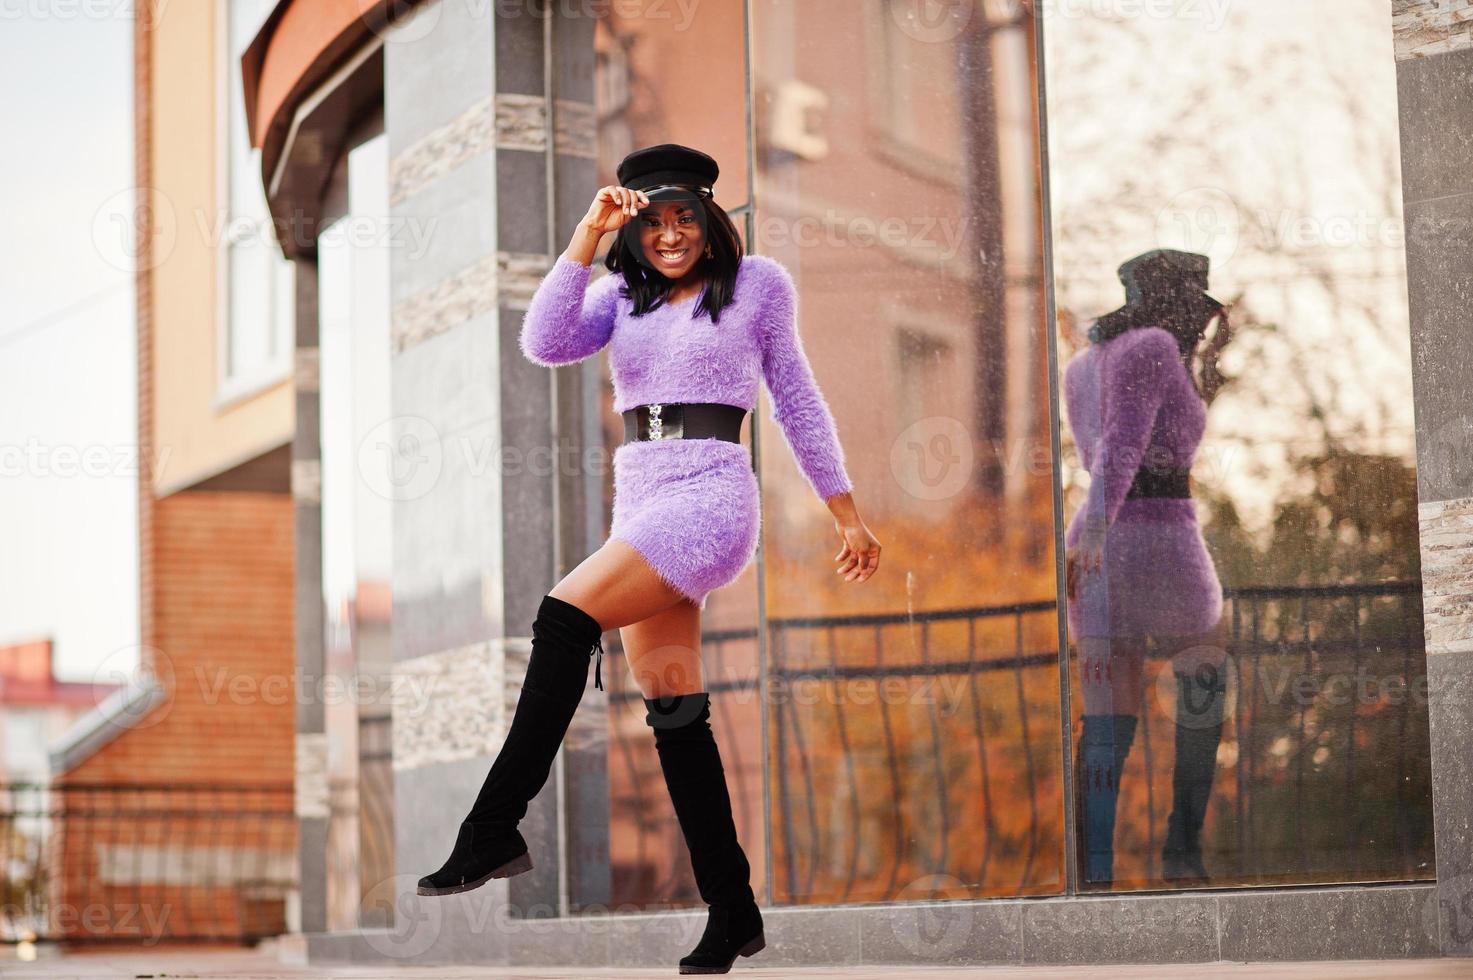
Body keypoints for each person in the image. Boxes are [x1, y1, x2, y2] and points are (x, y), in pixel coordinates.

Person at [416, 143, 881, 974]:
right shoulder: (614, 297)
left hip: (709, 497)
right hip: (641, 498)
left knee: (563, 615)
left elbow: (798, 396)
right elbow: (545, 342)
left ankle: (492, 826)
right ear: (635, 230)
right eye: (654, 221)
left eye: (686, 219)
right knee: (674, 711)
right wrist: (584, 237)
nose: (671, 235)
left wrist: (845, 514)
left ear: (710, 222)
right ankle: (733, 911)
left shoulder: (758, 287)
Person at [1063, 248, 1232, 887]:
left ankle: (1091, 874)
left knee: (1108, 717)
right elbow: (1124, 448)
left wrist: (1084, 540)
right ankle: (1182, 853)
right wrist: (1094, 535)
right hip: (1158, 541)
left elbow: (1101, 454)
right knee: (1205, 681)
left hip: (1100, 550)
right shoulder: (1156, 346)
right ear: (1178, 303)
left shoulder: (1085, 362)